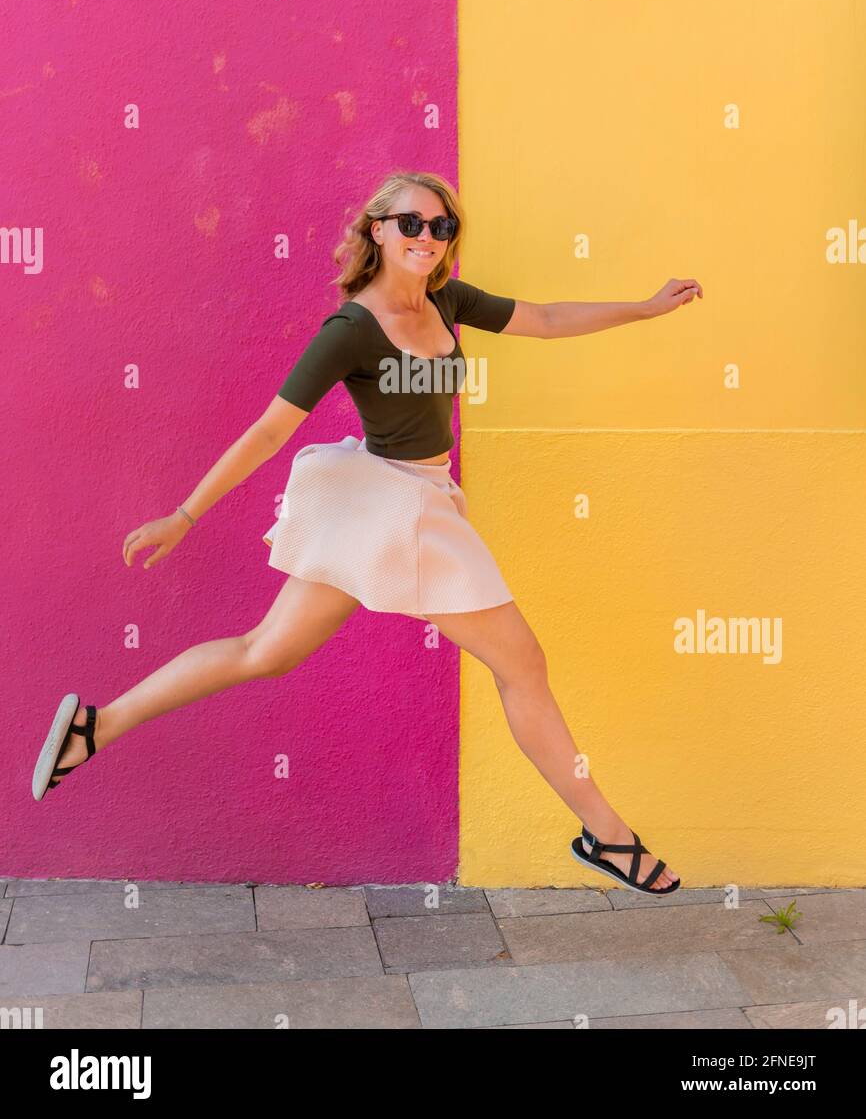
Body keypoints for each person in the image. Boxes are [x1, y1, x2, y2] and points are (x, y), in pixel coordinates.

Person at [32, 170, 702, 896]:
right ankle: (609, 837)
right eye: (411, 224)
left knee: (265, 652)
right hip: (396, 510)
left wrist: (643, 309)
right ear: (378, 230)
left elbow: (541, 317)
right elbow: (267, 431)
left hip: (408, 501)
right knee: (522, 664)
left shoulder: (444, 299)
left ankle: (95, 727)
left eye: (441, 227)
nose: (428, 238)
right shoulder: (352, 328)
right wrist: (185, 515)